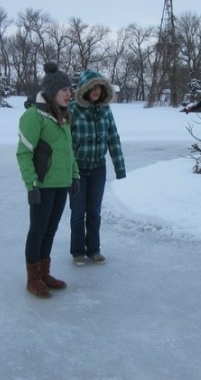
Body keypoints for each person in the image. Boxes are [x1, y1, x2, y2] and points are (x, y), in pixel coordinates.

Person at [17, 62, 80, 298]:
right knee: (38, 231)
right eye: (64, 89)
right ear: (52, 92)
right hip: (42, 186)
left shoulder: (63, 116)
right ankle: (33, 279)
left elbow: (68, 151)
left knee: (50, 230)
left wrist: (74, 176)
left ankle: (44, 273)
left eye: (69, 89)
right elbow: (24, 153)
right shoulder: (34, 116)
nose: (69, 93)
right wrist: (31, 185)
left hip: (61, 184)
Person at [69, 69, 126, 266]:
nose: (96, 91)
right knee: (78, 213)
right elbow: (65, 142)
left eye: (99, 88)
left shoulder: (105, 110)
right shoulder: (72, 110)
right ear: (84, 89)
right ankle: (77, 251)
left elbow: (113, 138)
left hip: (98, 169)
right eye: (92, 87)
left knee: (94, 212)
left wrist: (120, 167)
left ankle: (94, 249)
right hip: (76, 170)